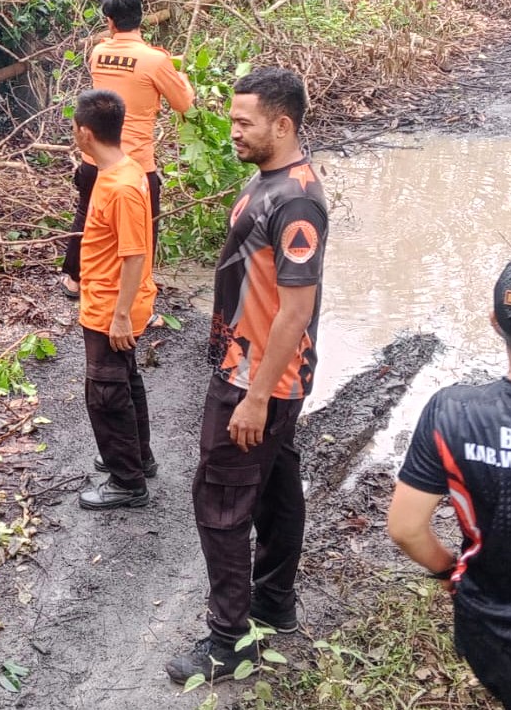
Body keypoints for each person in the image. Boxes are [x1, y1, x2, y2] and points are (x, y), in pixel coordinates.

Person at [165, 68, 328, 684]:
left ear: (281, 125)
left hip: (256, 376)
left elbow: (296, 310)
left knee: (221, 501)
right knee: (278, 483)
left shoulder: (298, 201)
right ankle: (274, 602)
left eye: (243, 123)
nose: (232, 131)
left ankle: (228, 640)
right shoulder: (271, 180)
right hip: (251, 366)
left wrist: (257, 396)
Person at [387, 259, 511, 710]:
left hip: (489, 629)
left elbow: (405, 528)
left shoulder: (453, 412)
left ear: (494, 322)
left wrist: (449, 572)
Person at [59, 0, 193, 299]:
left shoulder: (98, 54)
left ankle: (75, 280)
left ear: (109, 21)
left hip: (95, 157)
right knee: (142, 228)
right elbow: (183, 104)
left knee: (88, 216)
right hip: (135, 164)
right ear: (141, 16)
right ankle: (135, 291)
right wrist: (181, 77)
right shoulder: (156, 61)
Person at [70, 89, 159, 510]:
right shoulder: (120, 170)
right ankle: (138, 458)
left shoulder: (122, 186)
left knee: (105, 392)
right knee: (124, 379)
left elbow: (135, 253)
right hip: (109, 300)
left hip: (112, 306)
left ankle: (127, 481)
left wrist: (120, 315)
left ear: (84, 133)